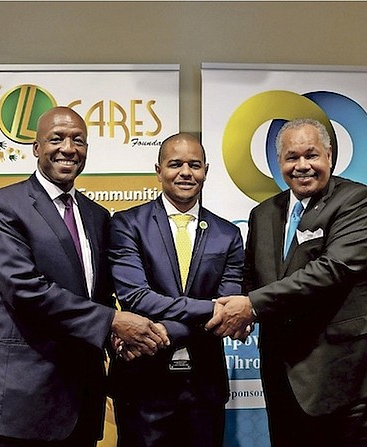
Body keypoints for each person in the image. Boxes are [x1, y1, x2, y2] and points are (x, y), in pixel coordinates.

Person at [0, 106, 169, 447]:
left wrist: (117, 339)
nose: (68, 148)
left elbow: (100, 295)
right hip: (26, 397)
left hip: (83, 397)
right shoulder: (1, 206)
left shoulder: (97, 216)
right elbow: (25, 291)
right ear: (36, 148)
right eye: (57, 139)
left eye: (78, 140)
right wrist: (113, 322)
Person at [206, 118, 367, 446]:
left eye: (311, 155)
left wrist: (251, 306)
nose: (302, 166)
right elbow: (252, 278)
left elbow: (332, 270)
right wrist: (231, 308)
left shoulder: (358, 201)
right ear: (278, 163)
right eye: (291, 157)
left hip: (351, 379)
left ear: (329, 156)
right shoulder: (263, 213)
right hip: (285, 378)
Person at [108, 133, 244, 447]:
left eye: (194, 165)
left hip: (203, 389)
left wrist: (160, 328)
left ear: (206, 171)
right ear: (159, 171)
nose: (185, 172)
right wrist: (209, 309)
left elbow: (227, 312)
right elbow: (135, 296)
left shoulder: (228, 234)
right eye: (175, 164)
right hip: (142, 387)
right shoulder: (127, 224)